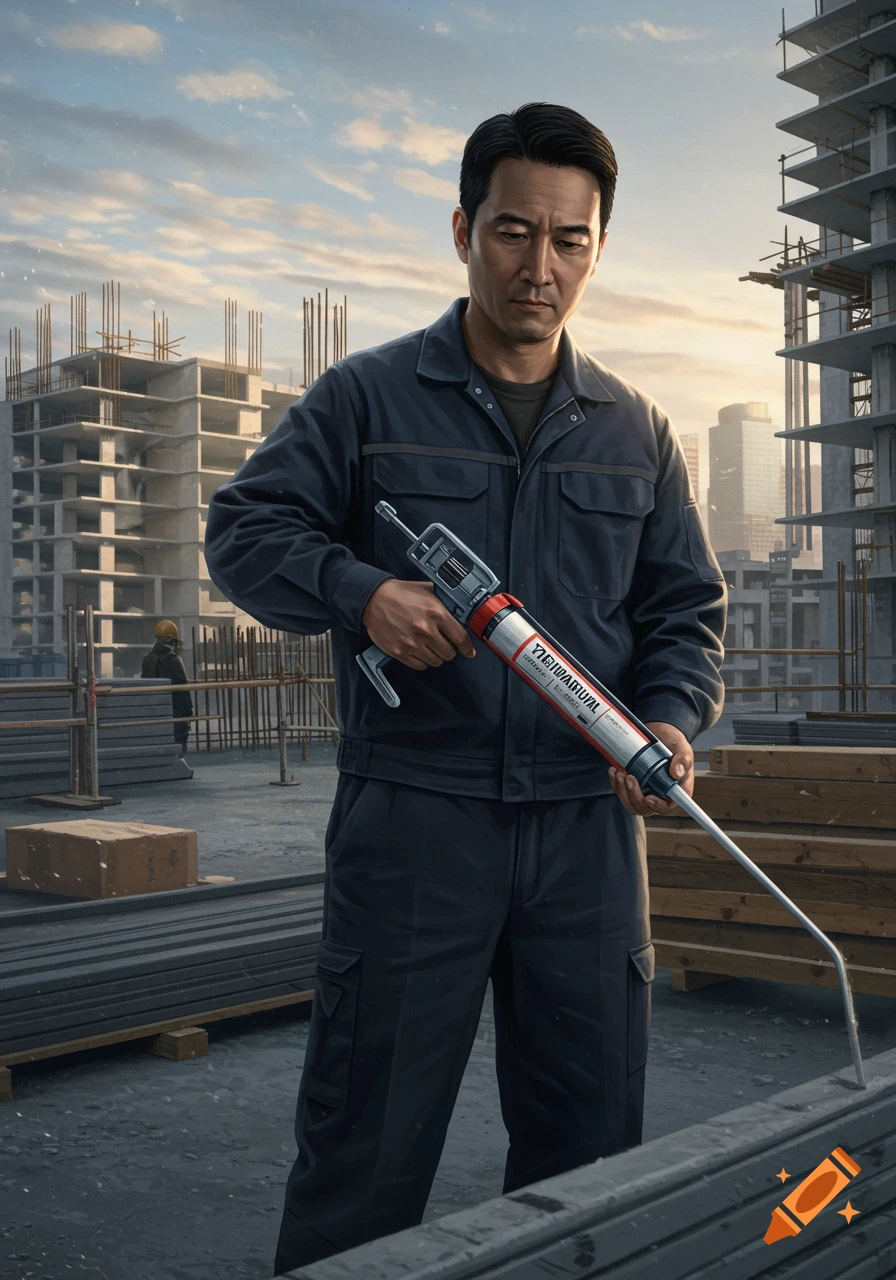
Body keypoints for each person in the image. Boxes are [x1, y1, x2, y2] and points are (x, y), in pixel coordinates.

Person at [203, 102, 727, 1276]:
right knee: (365, 1145)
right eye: (511, 231)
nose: (539, 267)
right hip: (415, 821)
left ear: (595, 247)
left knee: (589, 1151)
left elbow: (681, 612)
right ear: (460, 229)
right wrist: (358, 589)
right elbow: (240, 530)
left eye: (568, 240)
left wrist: (666, 719)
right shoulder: (367, 399)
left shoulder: (634, 431)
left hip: (585, 827)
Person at [141, 620, 193, 754]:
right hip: (175, 715)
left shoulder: (148, 659)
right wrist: (188, 713)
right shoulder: (174, 660)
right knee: (178, 750)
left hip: (153, 715)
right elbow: (183, 690)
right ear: (173, 641)